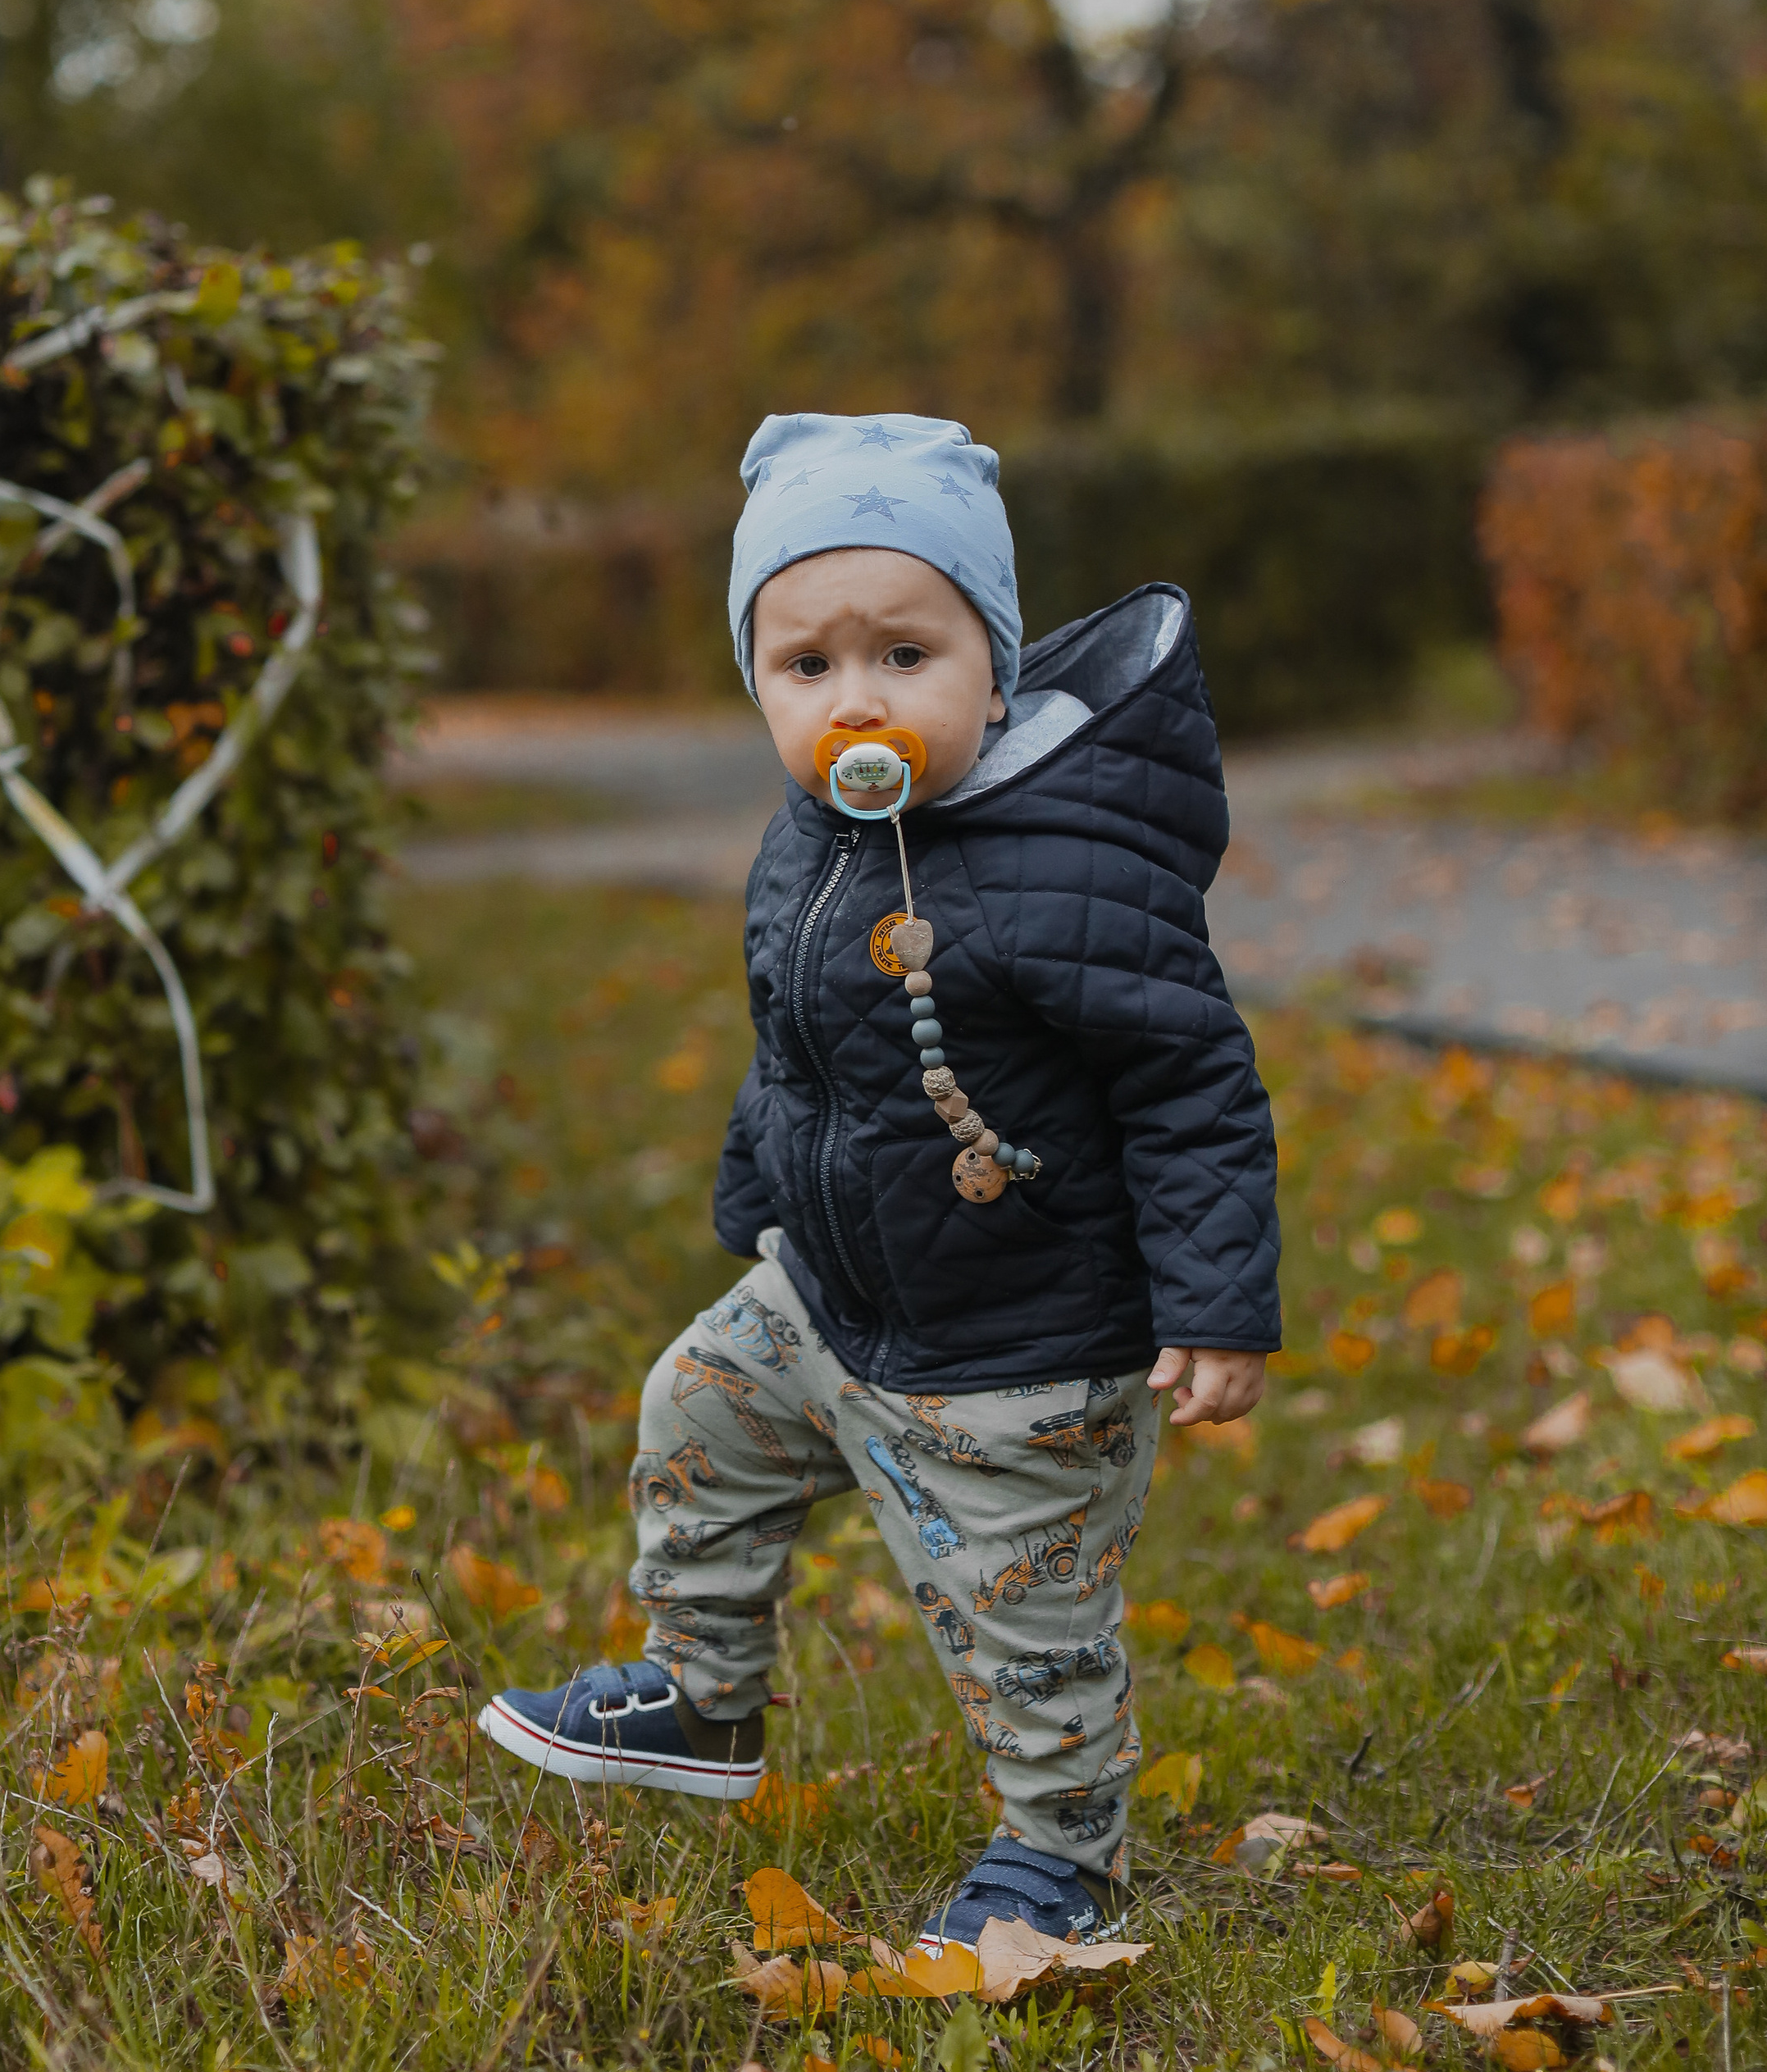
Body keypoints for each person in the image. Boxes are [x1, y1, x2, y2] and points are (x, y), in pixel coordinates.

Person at [480, 411, 1278, 1948]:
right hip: (836, 1292)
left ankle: (1063, 1857)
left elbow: (1192, 1081)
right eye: (807, 667)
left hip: (1019, 1342)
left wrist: (1219, 1300)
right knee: (695, 1409)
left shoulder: (1070, 860)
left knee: (1020, 1615)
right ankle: (702, 1698)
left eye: (907, 657)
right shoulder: (816, 836)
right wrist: (754, 1198)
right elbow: (795, 1038)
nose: (858, 699)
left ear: (996, 658)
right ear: (758, 684)